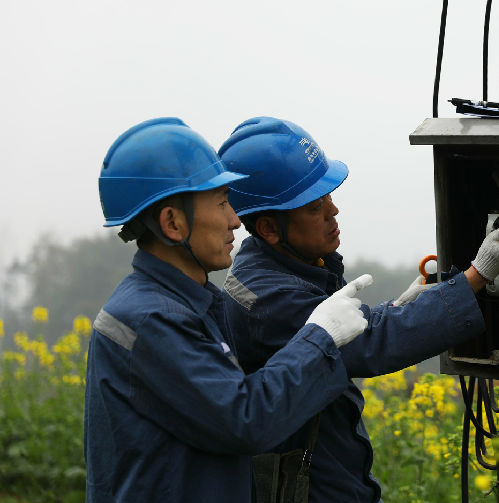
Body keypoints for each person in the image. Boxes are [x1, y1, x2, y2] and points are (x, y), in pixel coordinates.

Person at [217, 116, 499, 503]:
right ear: (269, 229)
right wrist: (479, 274)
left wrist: (401, 307)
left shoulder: (283, 266)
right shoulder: (267, 299)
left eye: (329, 196)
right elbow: (368, 344)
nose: (333, 211)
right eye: (315, 206)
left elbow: (354, 330)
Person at [85, 118, 375, 502]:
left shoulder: (186, 303)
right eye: (222, 202)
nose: (235, 221)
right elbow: (245, 420)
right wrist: (319, 337)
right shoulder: (153, 319)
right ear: (172, 223)